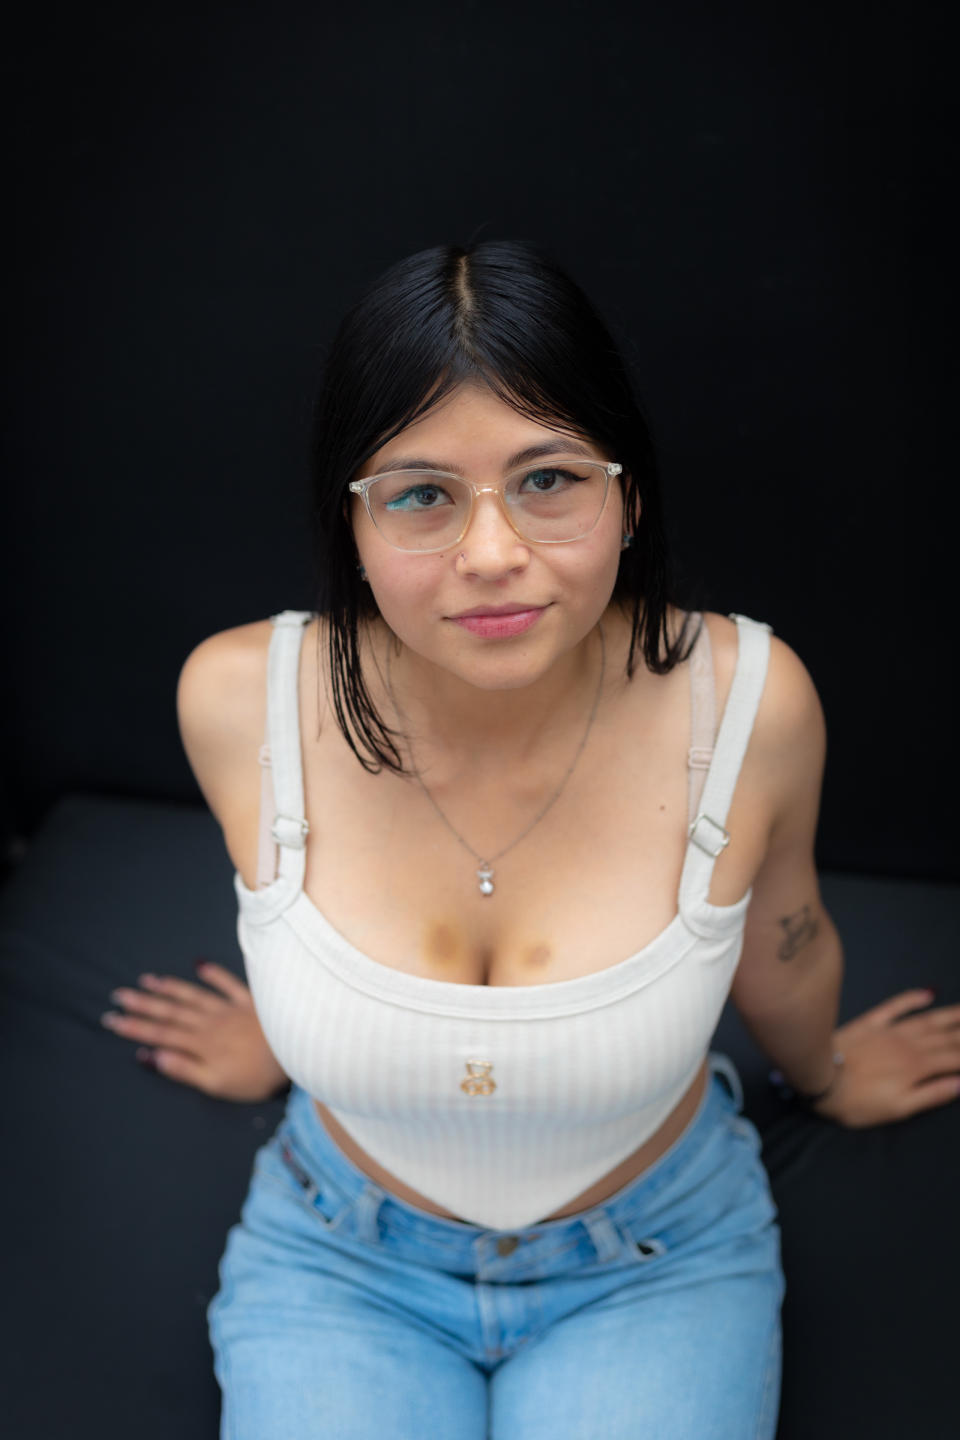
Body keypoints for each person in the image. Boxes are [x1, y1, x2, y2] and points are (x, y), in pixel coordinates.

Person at [101, 240, 960, 1439]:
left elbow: (787, 936)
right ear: (353, 523)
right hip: (339, 1256)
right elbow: (286, 903)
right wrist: (304, 1036)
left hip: (657, 1260)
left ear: (629, 495)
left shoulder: (752, 702)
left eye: (549, 479)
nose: (493, 553)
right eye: (421, 494)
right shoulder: (239, 698)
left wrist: (821, 1076)